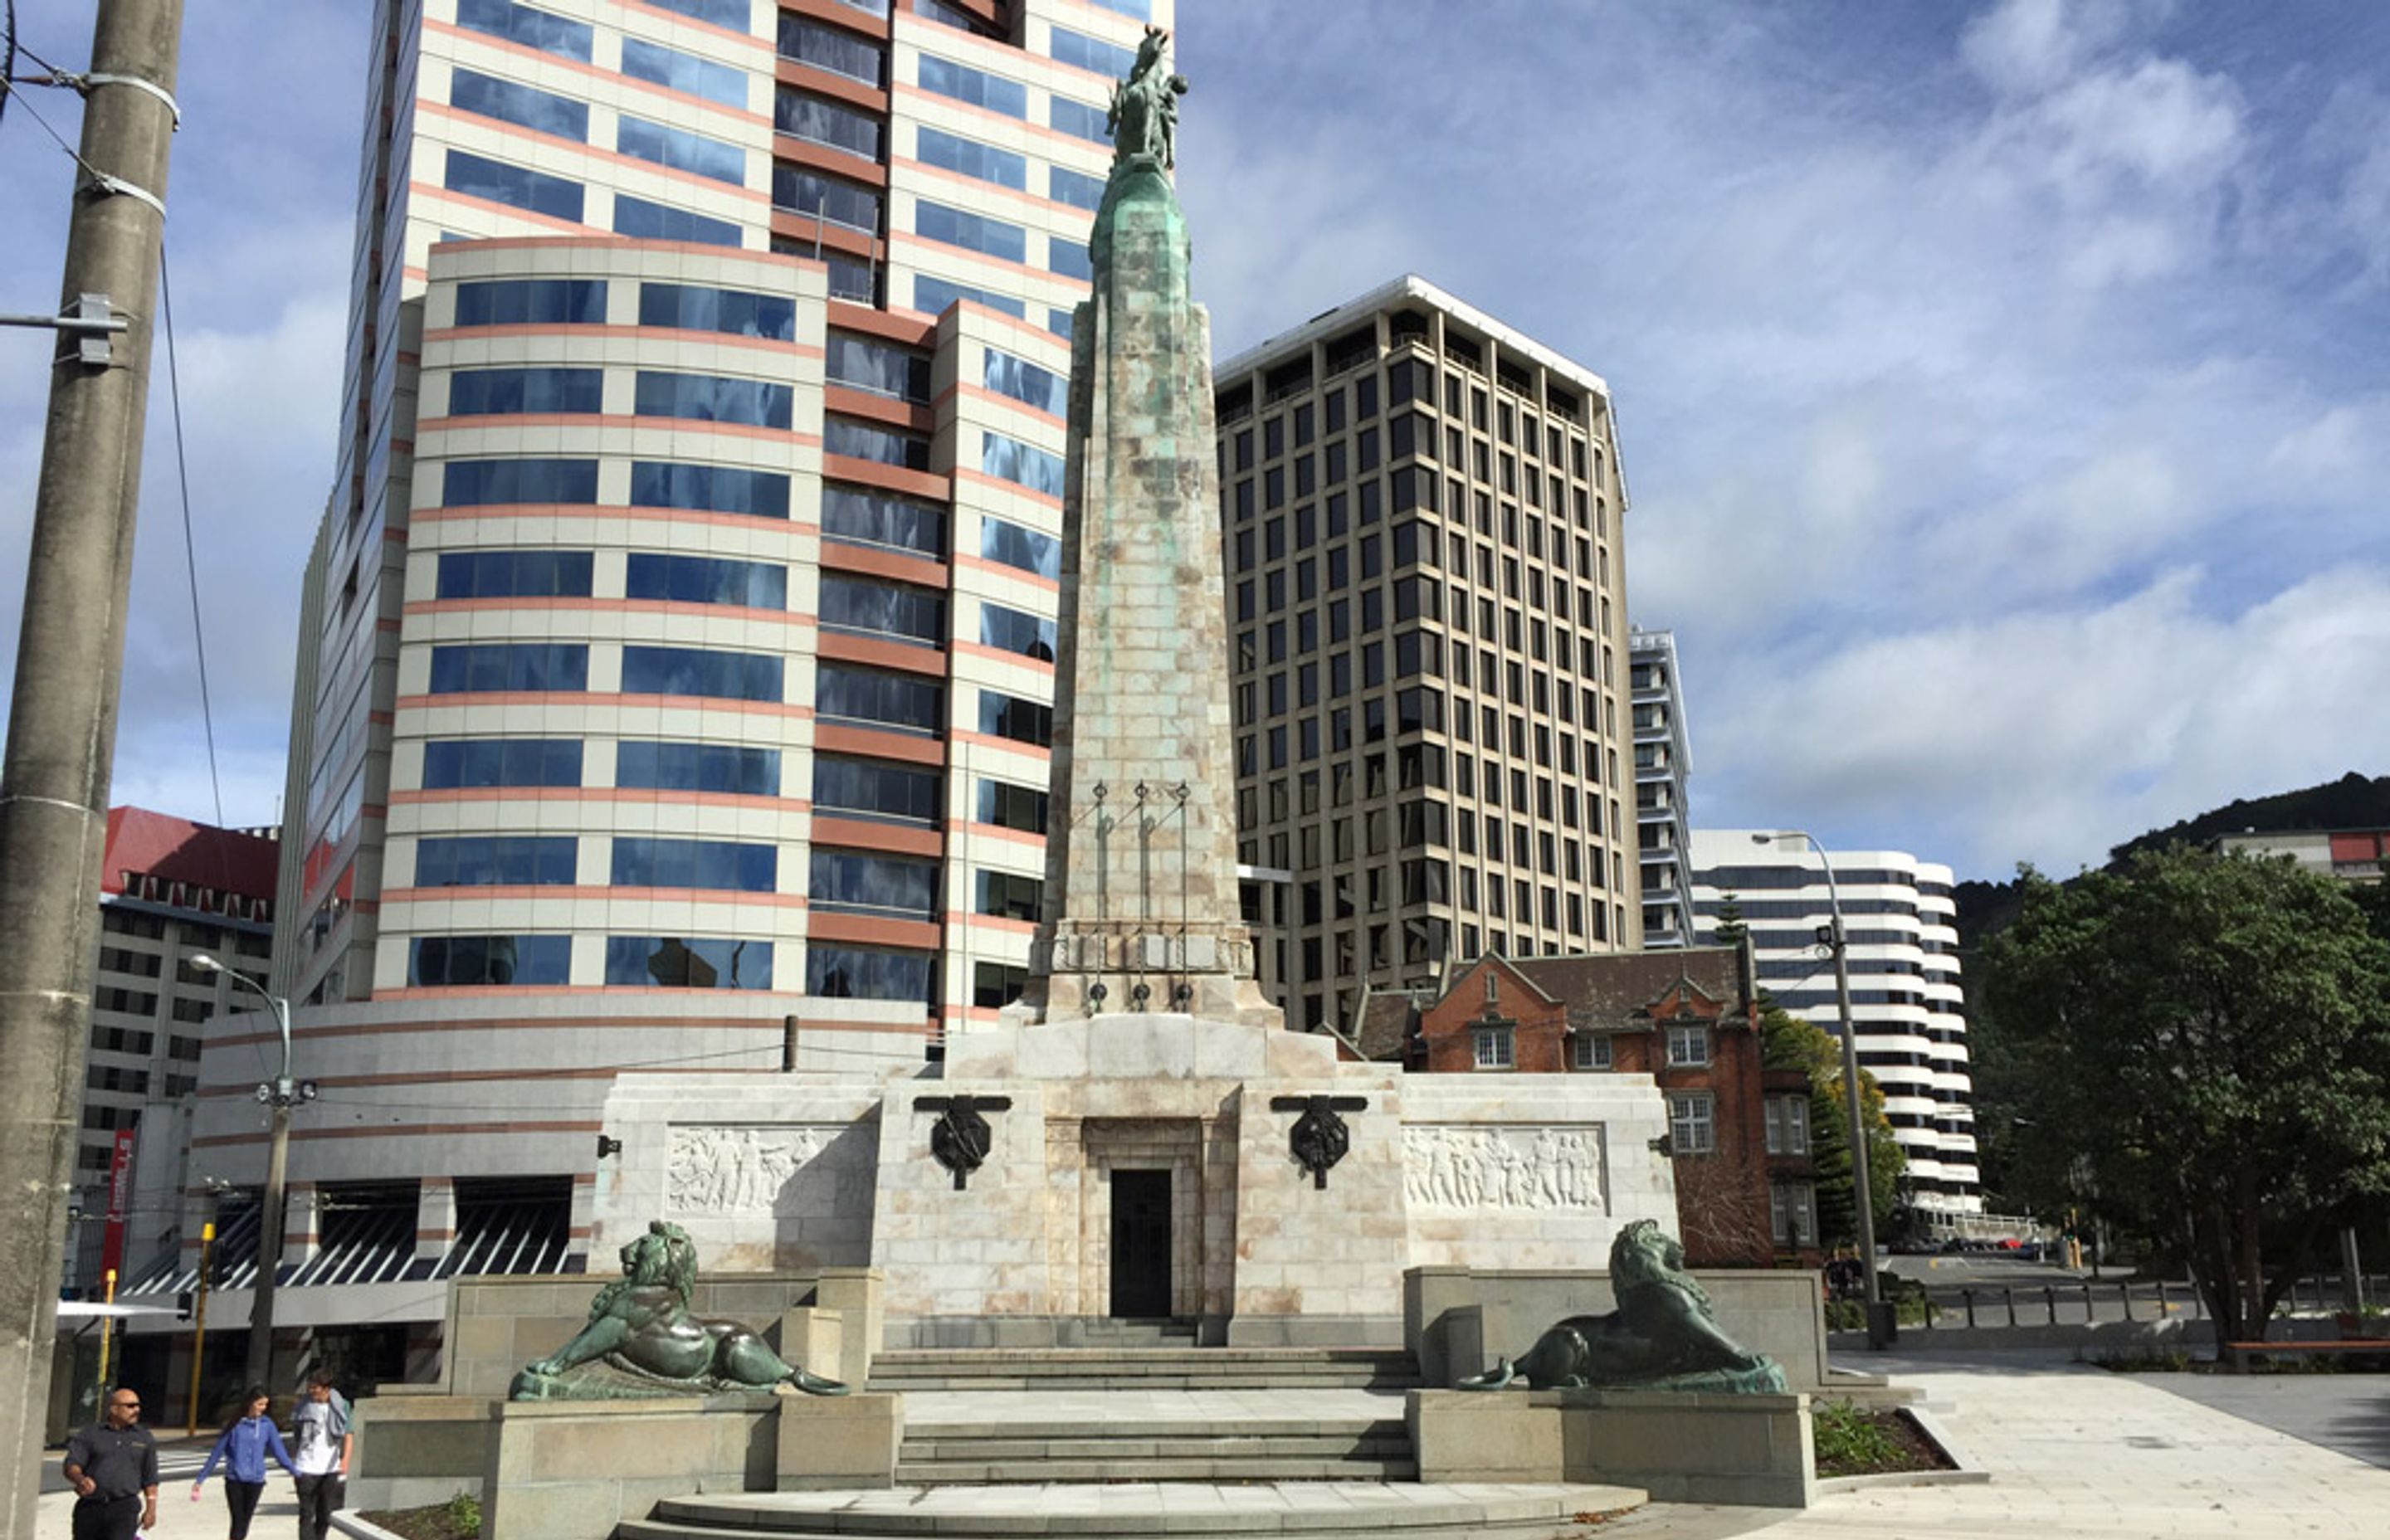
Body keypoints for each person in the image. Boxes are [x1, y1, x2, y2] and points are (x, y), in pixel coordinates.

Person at [192, 1386, 300, 1540]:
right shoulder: (235, 1425)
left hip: (256, 1480)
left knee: (245, 1522)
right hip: (235, 1480)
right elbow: (217, 1452)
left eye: (265, 1405)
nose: (262, 1409)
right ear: (250, 1403)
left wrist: (295, 1471)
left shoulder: (267, 1425)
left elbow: (279, 1452)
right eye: (260, 1404)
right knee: (238, 1521)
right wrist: (201, 1479)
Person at [61, 1386, 159, 1540]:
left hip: (124, 1508)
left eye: (138, 1405)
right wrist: (80, 1479)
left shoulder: (144, 1438)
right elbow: (72, 1465)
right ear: (114, 1409)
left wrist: (151, 1509)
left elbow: (150, 1477)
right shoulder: (91, 1434)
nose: (136, 1410)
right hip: (91, 1507)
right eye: (130, 1406)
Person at [289, 1372, 351, 1540]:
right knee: (306, 1513)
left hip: (330, 1467)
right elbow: (296, 1432)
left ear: (326, 1389)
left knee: (324, 1513)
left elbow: (348, 1434)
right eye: (310, 1387)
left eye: (315, 1388)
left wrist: (345, 1459)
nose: (311, 1391)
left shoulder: (341, 1406)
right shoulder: (302, 1407)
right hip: (305, 1467)